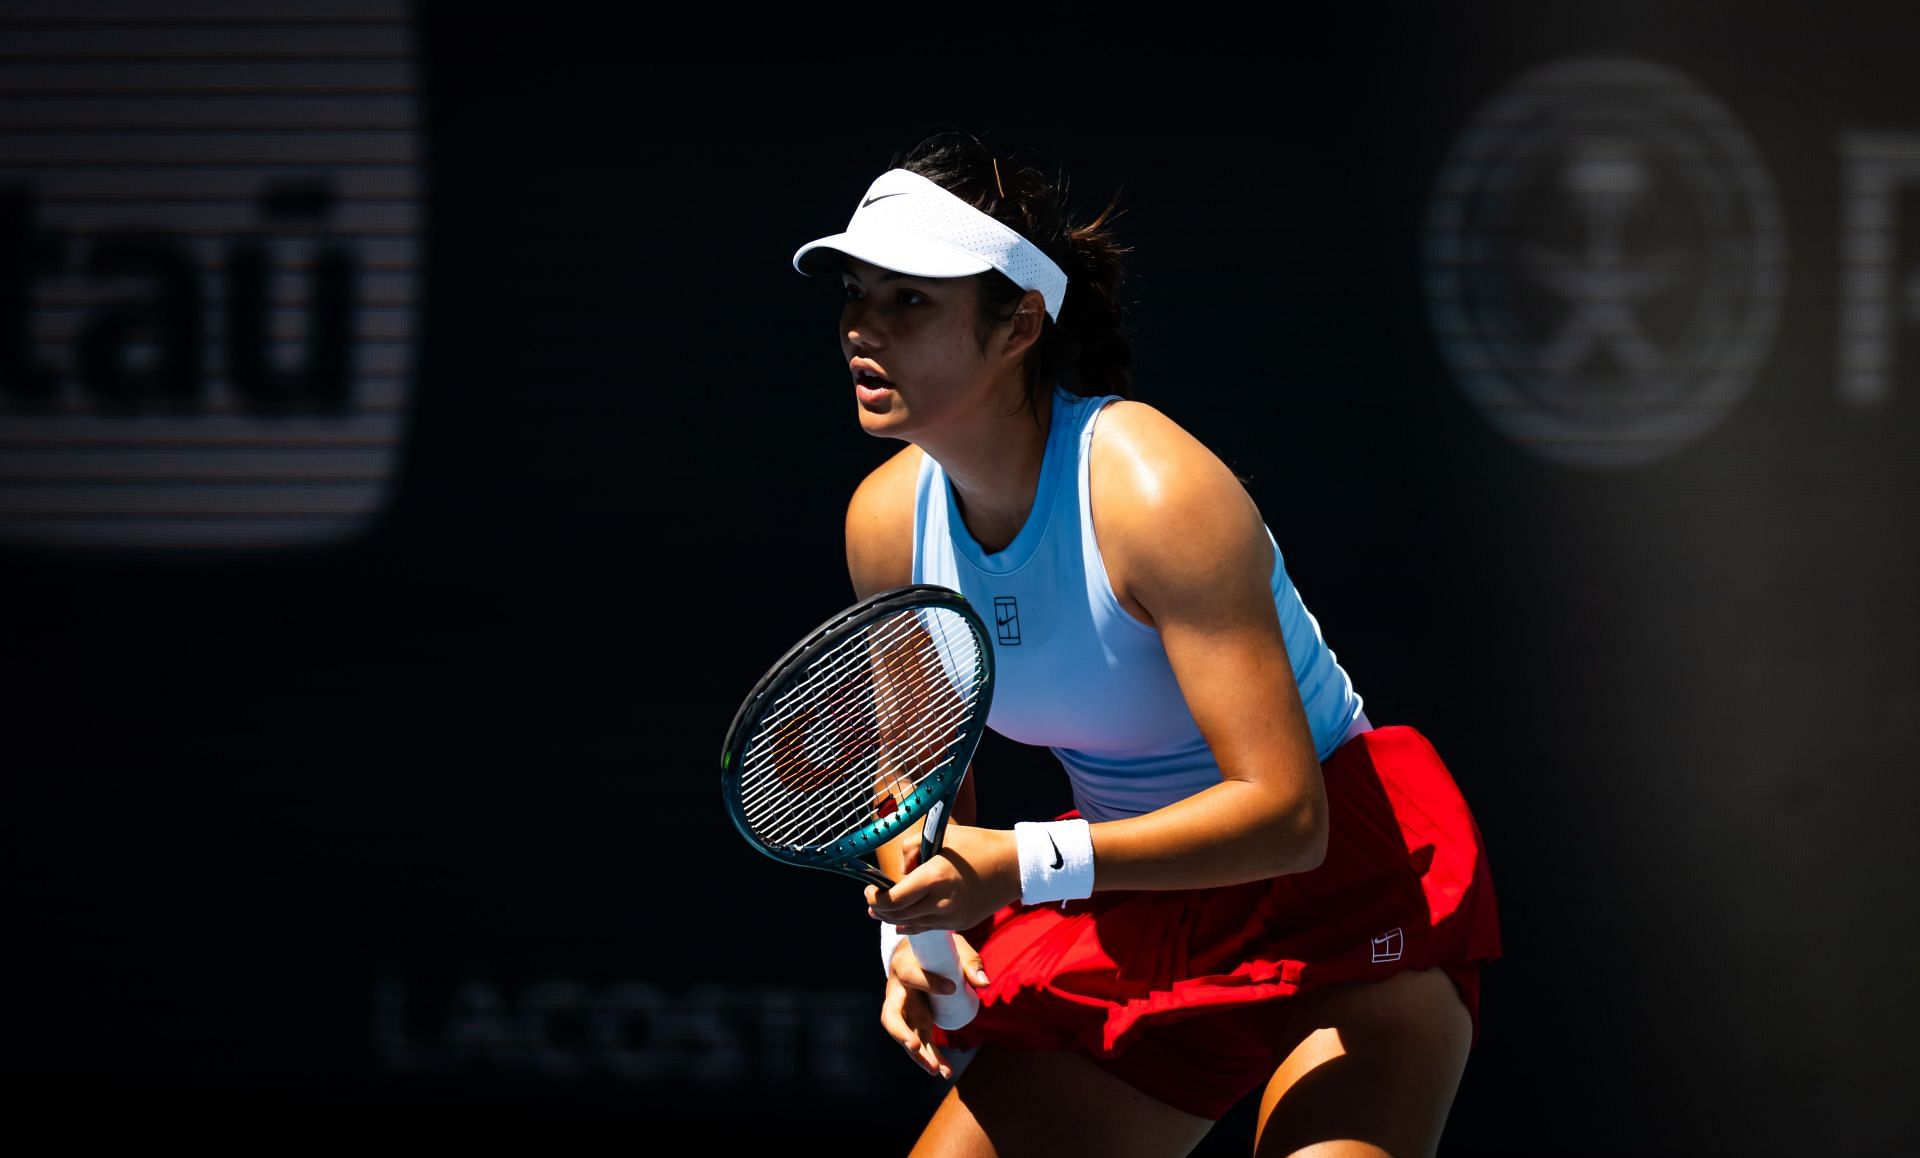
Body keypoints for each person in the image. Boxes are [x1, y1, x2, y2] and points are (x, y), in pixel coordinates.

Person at [790, 132, 1503, 1157]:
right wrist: (921, 930)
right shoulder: (886, 526)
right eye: (857, 294)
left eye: (911, 301)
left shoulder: (1153, 492)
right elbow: (920, 779)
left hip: (1342, 890)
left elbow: (1286, 818)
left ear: (1017, 325)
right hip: (1134, 898)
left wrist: (1020, 865)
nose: (863, 326)